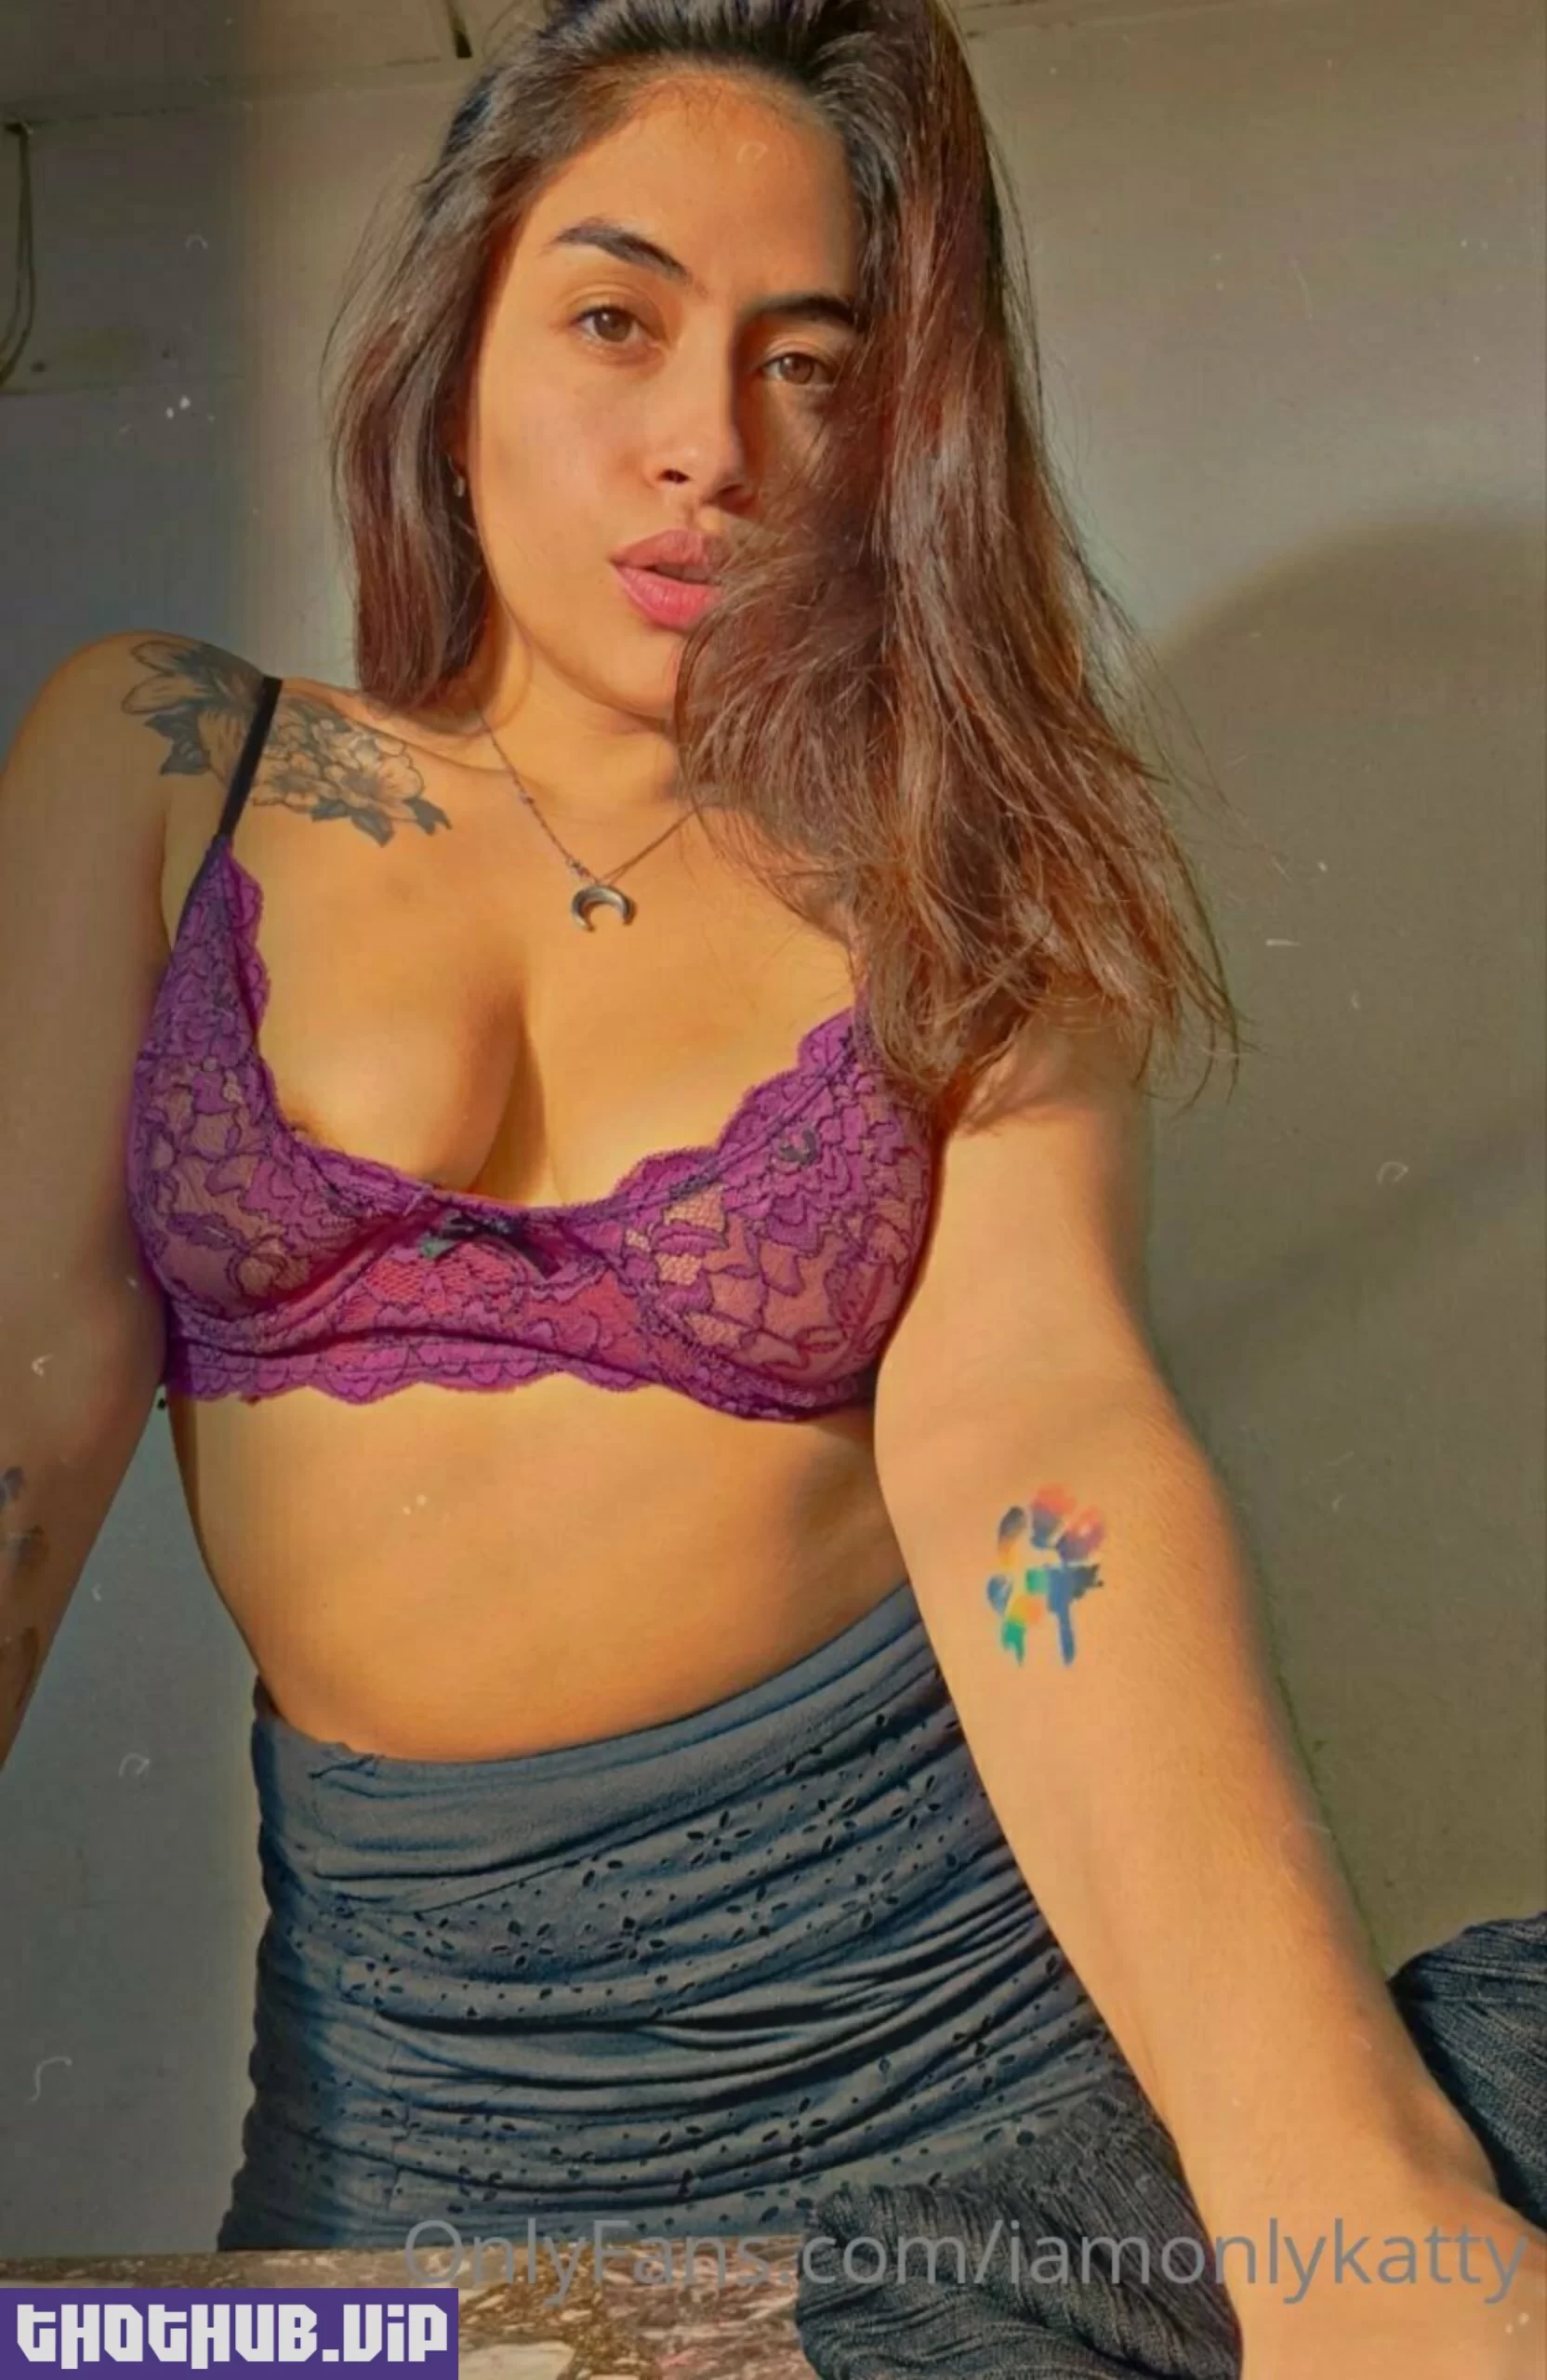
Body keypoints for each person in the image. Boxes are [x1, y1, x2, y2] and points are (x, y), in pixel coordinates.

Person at [1, 2, 1541, 2371]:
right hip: (438, 2179)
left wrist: (1345, 2191)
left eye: (806, 365)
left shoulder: (955, 876)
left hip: (996, 2113)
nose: (708, 446)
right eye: (615, 318)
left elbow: (1045, 1448)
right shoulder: (173, 759)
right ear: (454, 343)